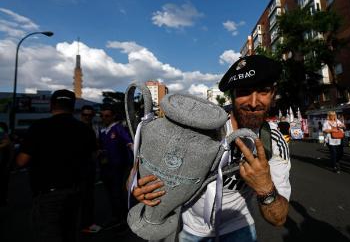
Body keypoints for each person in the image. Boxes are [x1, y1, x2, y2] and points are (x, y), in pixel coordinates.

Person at [132, 55, 291, 241]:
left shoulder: (273, 141)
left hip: (238, 229)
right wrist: (137, 186)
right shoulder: (203, 126)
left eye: (263, 91)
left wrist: (265, 188)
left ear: (273, 93)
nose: (254, 102)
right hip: (187, 228)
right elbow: (137, 172)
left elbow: (279, 218)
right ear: (232, 95)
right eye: (244, 92)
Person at [16, 89, 97, 242]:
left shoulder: (39, 127)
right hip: (75, 190)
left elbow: (22, 161)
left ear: (51, 105)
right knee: (69, 232)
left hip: (47, 193)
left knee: (49, 233)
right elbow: (92, 157)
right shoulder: (84, 130)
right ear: (73, 107)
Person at [98, 104, 133, 227]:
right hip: (105, 166)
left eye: (107, 116)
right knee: (110, 193)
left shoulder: (118, 128)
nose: (104, 118)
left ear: (113, 117)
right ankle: (116, 217)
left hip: (118, 167)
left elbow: (129, 142)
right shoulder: (102, 130)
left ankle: (123, 219)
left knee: (117, 193)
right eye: (102, 116)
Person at [79, 105, 102, 233]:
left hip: (89, 167)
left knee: (88, 197)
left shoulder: (94, 128)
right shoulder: (75, 128)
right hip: (77, 168)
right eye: (85, 115)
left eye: (90, 115)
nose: (87, 117)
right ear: (80, 115)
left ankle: (86, 223)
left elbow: (96, 145)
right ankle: (85, 224)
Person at [0, 122, 13, 206]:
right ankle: (3, 199)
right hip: (4, 165)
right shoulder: (5, 134)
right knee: (4, 183)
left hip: (3, 164)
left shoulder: (2, 132)